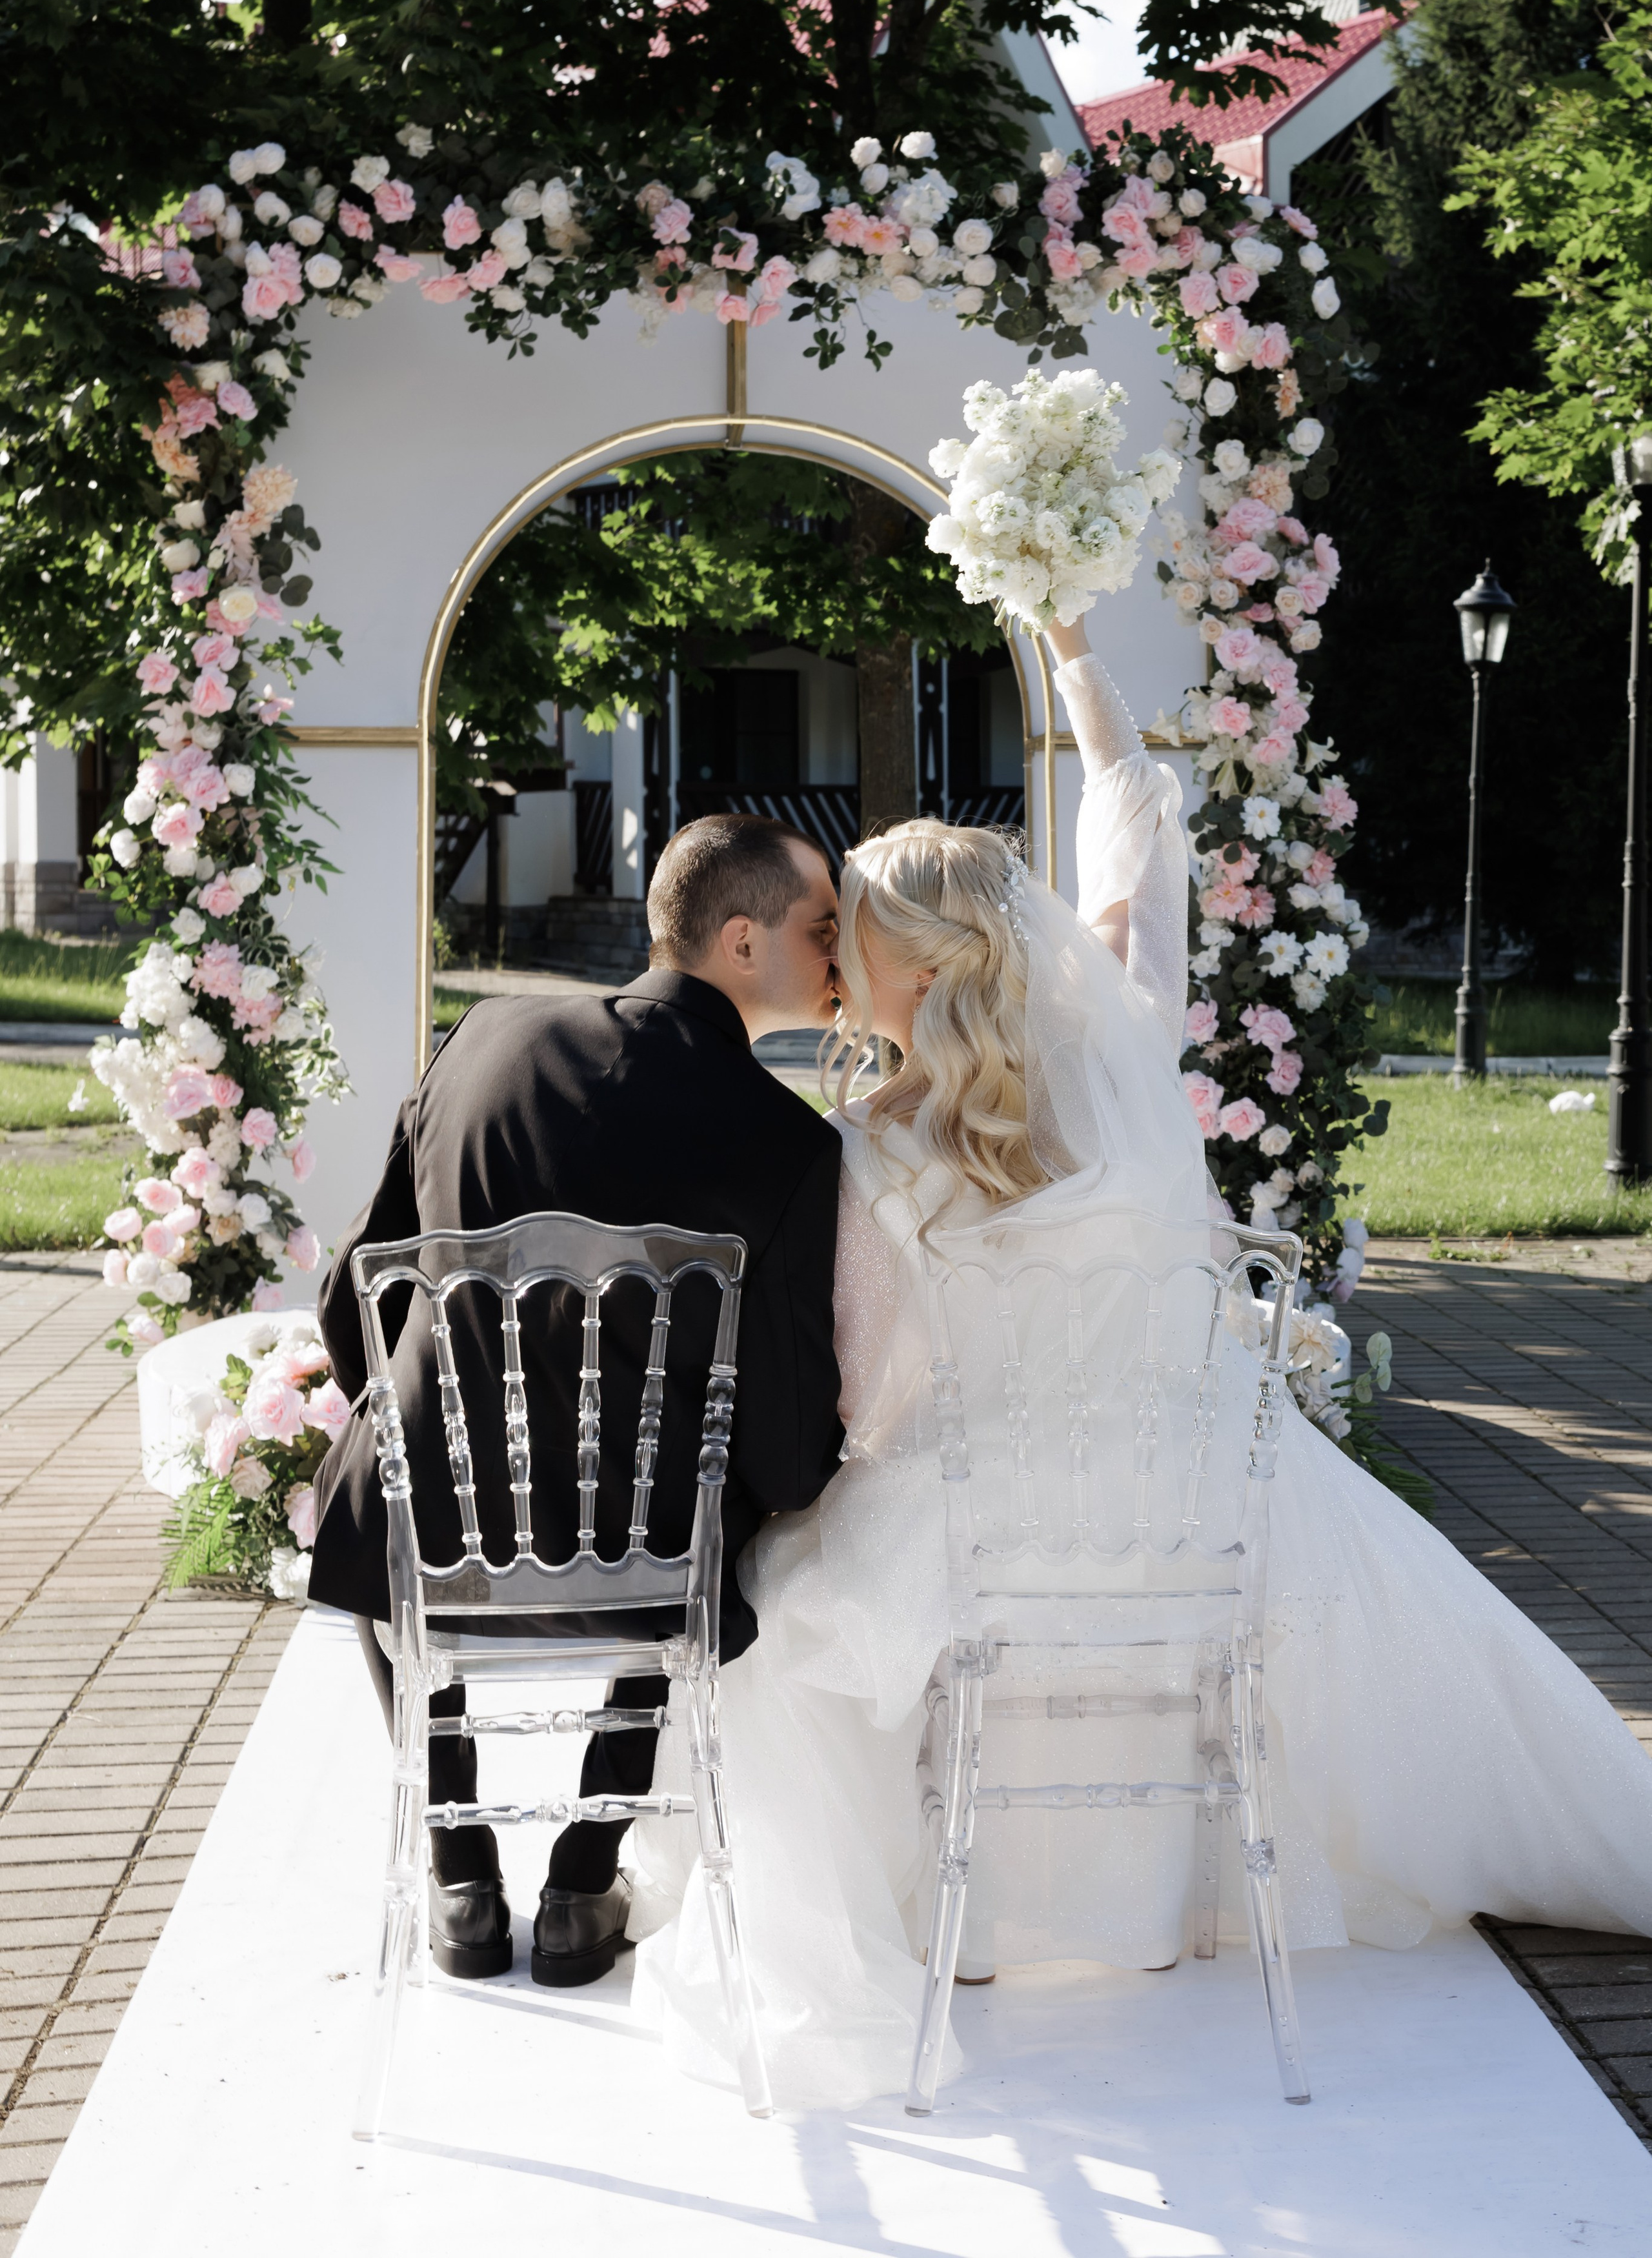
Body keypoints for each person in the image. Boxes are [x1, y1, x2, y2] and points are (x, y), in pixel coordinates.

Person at [629, 618, 1652, 2111]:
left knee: (787, 1643)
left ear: (900, 962)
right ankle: (1196, 1899)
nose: (833, 962)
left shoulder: (869, 1146)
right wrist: (1077, 665)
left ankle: (942, 1925)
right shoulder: (1127, 1047)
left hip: (981, 1536)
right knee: (1358, 1579)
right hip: (1184, 1513)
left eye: (848, 938)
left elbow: (868, 1385)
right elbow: (1135, 855)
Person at [311, 814, 845, 1989]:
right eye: (824, 929)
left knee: (377, 1464)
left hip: (442, 1525)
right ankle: (582, 1874)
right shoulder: (793, 1146)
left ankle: (456, 1867)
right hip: (650, 1551)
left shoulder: (482, 1040)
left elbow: (352, 1285)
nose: (842, 954)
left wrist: (395, 1416)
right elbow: (795, 1451)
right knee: (730, 1494)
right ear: (744, 941)